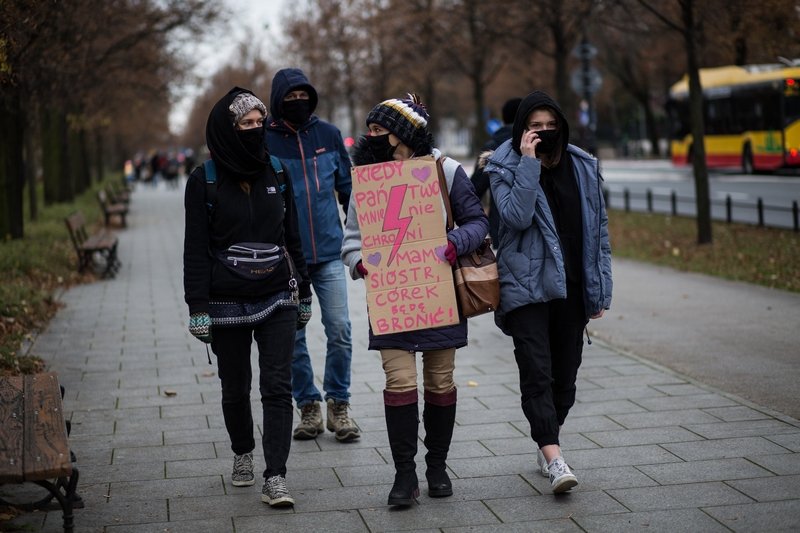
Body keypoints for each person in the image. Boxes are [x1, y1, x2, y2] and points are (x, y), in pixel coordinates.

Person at [341, 94, 489, 506]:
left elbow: (478, 222)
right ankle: (404, 475)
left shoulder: (445, 170)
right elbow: (350, 240)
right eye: (369, 129)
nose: (369, 137)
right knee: (399, 382)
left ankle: (437, 465)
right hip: (393, 298)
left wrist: (454, 242)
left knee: (440, 383)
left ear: (402, 133)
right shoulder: (366, 181)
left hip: (437, 293)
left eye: (377, 130)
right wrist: (360, 264)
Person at [183, 87, 312, 507]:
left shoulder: (276, 171)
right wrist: (197, 306)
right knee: (235, 387)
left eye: (260, 122)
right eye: (247, 124)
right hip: (224, 301)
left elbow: (292, 236)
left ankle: (276, 476)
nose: (257, 130)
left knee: (277, 386)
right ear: (228, 128)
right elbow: (195, 248)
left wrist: (304, 291)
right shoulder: (204, 180)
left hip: (277, 293)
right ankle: (243, 451)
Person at [482, 90, 612, 494]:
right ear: (522, 130)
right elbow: (517, 217)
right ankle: (554, 457)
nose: (544, 133)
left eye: (550, 126)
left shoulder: (583, 164)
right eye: (535, 127)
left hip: (571, 287)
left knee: (565, 380)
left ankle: (546, 438)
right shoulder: (502, 165)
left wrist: (600, 287)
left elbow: (599, 230)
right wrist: (527, 163)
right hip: (525, 287)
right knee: (536, 372)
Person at [265, 68, 360, 443]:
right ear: (277, 102)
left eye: (303, 96)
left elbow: (349, 191)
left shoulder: (330, 135)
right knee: (293, 338)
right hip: (286, 260)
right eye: (289, 98)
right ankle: (308, 406)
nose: (297, 103)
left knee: (340, 329)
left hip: (330, 253)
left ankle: (339, 404)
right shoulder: (266, 142)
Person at [470, 97, 521, 247]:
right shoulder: (537, 146)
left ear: (504, 118)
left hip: (500, 228)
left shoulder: (492, 147)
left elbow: (474, 190)